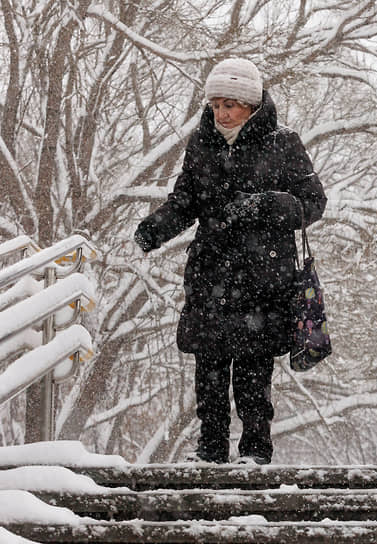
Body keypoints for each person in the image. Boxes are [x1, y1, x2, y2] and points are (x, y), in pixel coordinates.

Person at [133, 58, 327, 464]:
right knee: (210, 370)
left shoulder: (283, 143)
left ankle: (255, 452)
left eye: (230, 105)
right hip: (211, 273)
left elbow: (313, 203)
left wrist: (267, 205)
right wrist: (153, 229)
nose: (220, 113)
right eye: (215, 104)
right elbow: (186, 201)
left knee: (254, 373)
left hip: (264, 277)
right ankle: (210, 450)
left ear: (252, 105)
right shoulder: (201, 142)